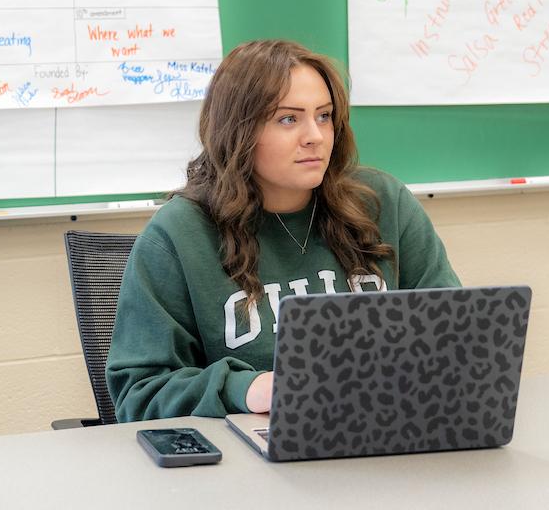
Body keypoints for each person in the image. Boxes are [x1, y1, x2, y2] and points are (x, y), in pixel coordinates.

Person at [105, 39, 460, 422]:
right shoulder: (179, 234)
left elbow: (456, 337)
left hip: (389, 428)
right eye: (288, 119)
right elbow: (138, 393)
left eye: (324, 116)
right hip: (250, 458)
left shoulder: (383, 203)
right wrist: (248, 389)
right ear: (239, 132)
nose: (316, 136)